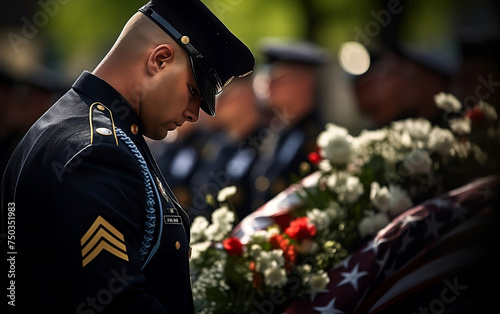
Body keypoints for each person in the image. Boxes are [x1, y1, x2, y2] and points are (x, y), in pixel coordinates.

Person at [1, 0, 254, 313]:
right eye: (193, 92)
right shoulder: (97, 151)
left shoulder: (77, 124)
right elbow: (118, 305)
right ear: (160, 60)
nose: (193, 114)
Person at [249, 39, 329, 211]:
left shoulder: (318, 140)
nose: (268, 84)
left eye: (277, 77)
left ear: (304, 83)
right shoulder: (278, 133)